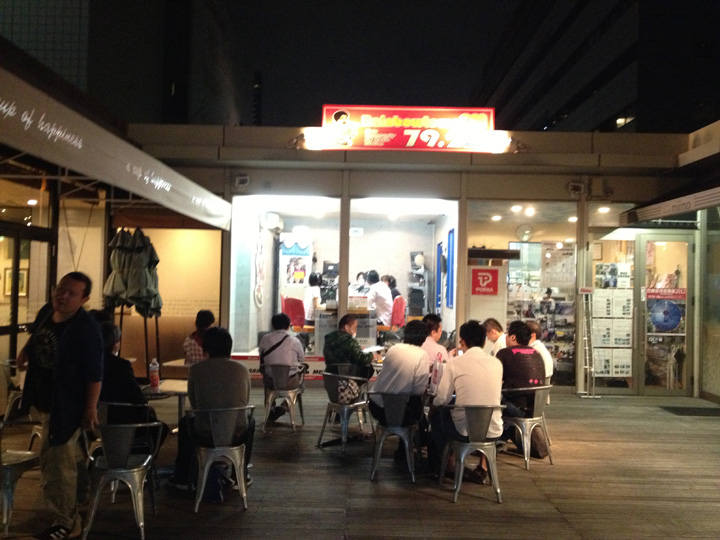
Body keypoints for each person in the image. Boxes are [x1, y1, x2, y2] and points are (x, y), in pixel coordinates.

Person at [17, 272, 103, 540]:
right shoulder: (47, 311)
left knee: (56, 463)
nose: (63, 296)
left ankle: (65, 521)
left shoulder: (85, 329)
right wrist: (26, 351)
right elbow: (38, 334)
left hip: (66, 404)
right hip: (44, 398)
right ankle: (81, 502)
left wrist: (90, 408)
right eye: (61, 289)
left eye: (72, 293)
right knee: (70, 457)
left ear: (84, 299)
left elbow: (94, 373)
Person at [172, 327, 254, 488]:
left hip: (204, 434)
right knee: (250, 422)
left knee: (184, 423)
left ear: (205, 347)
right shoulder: (242, 369)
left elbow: (194, 403)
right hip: (235, 434)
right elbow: (245, 401)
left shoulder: (196, 370)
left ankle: (182, 477)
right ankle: (241, 475)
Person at [430, 320, 503, 483]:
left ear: (462, 341)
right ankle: (483, 466)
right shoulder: (497, 363)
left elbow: (442, 399)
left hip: (463, 431)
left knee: (437, 415)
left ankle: (449, 463)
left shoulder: (455, 363)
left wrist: (433, 404)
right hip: (493, 430)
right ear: (484, 342)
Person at [369, 320, 430, 460]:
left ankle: (406, 448)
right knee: (415, 405)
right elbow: (419, 390)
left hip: (377, 407)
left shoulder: (393, 349)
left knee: (409, 405)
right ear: (424, 339)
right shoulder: (422, 355)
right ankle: (413, 446)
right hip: (400, 414)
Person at [258, 313, 306, 423]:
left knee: (268, 388)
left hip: (271, 381)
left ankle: (271, 408)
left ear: (272, 325)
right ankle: (283, 407)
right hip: (290, 382)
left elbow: (261, 355)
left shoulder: (265, 339)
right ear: (288, 326)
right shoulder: (295, 341)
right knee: (301, 387)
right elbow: (301, 359)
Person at [323, 314, 376, 380]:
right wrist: (371, 355)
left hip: (330, 379)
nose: (356, 331)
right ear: (347, 327)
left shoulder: (329, 339)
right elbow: (362, 358)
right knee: (368, 368)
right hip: (346, 378)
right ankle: (356, 386)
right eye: (355, 328)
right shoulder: (349, 340)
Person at [421, 314, 450, 397]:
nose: (441, 333)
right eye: (440, 330)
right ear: (433, 332)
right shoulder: (440, 349)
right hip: (432, 390)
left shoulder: (417, 344)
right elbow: (446, 369)